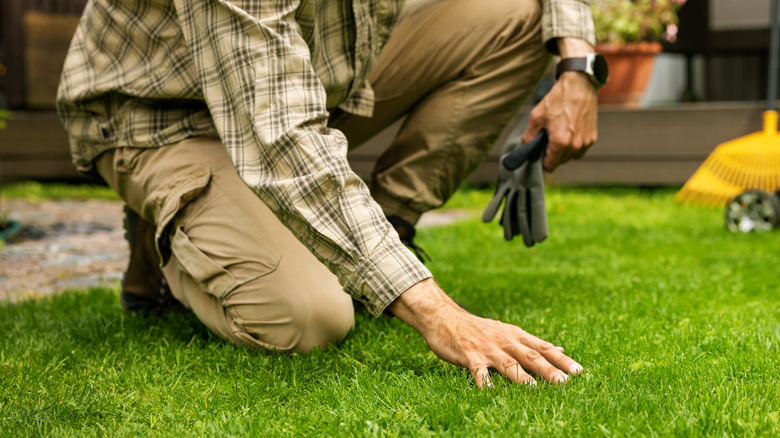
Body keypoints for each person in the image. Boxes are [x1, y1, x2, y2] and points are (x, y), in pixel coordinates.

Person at [57, 0, 599, 388]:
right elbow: (282, 137)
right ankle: (169, 233)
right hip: (164, 116)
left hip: (312, 75)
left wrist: (577, 67)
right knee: (309, 317)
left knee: (523, 17)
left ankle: (386, 238)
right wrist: (439, 313)